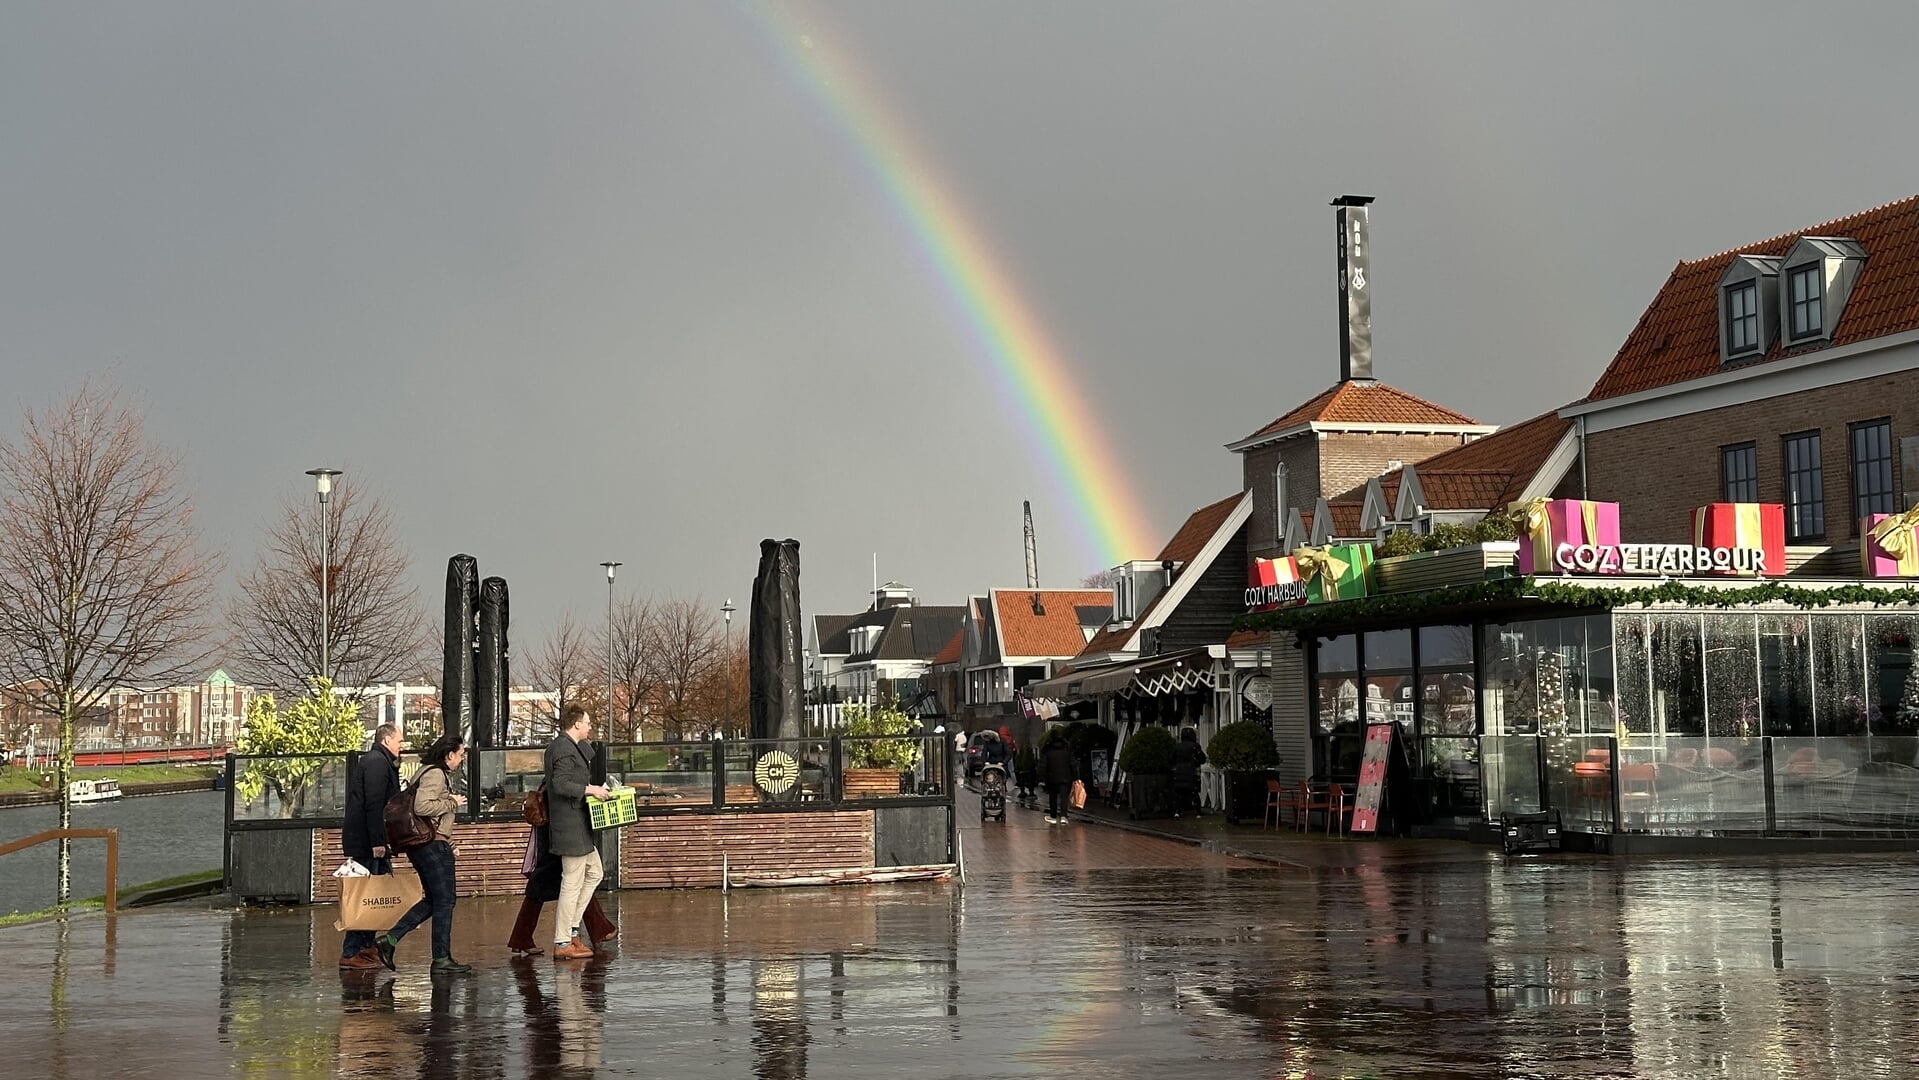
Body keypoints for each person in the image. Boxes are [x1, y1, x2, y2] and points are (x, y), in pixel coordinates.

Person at [375, 731, 471, 974]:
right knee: (446, 901)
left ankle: (391, 940)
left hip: (427, 844)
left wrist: (448, 842)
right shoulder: (436, 774)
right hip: (431, 847)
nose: (461, 760)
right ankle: (441, 959)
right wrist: (452, 803)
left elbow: (427, 817)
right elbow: (422, 807)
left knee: (433, 900)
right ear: (449, 755)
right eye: (460, 755)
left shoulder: (425, 771)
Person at [546, 703, 611, 961]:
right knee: (571, 882)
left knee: (595, 872)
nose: (590, 726)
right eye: (587, 722)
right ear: (576, 725)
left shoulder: (570, 746)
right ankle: (563, 940)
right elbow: (560, 784)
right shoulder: (562, 748)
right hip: (570, 825)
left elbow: (581, 766)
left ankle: (571, 928)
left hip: (579, 824)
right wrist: (591, 790)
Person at [340, 723, 402, 970]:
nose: (402, 745)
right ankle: (352, 951)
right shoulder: (377, 763)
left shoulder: (377, 760)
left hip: (367, 841)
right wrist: (378, 841)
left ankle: (365, 948)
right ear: (386, 740)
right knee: (365, 898)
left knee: (373, 897)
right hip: (367, 843)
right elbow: (375, 805)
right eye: (399, 740)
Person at [506, 822, 619, 957]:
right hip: (559, 831)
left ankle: (521, 939)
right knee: (570, 884)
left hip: (553, 829)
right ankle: (594, 931)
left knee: (562, 883)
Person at [1041, 730, 1076, 824]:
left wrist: (1042, 777)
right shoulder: (1067, 748)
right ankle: (1063, 816)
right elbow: (1072, 763)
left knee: (1053, 797)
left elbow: (1043, 765)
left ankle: (1053, 815)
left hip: (1051, 776)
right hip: (1065, 776)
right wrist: (1075, 776)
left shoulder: (1048, 749)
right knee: (1064, 797)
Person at [1171, 727, 1206, 818]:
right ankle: (1198, 812)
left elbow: (1172, 759)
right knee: (1194, 792)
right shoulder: (1195, 746)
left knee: (1179, 793)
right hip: (1191, 772)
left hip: (1179, 772)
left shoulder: (1178, 747)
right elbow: (1202, 759)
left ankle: (1177, 812)